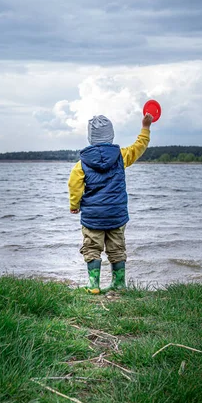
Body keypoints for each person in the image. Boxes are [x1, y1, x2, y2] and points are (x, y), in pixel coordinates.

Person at [68, 113, 153, 294]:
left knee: (92, 247)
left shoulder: (81, 164)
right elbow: (139, 147)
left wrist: (74, 205)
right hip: (116, 214)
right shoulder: (121, 157)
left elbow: (74, 186)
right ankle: (119, 284)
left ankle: (93, 285)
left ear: (90, 138)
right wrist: (145, 128)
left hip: (93, 216)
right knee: (117, 248)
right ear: (111, 135)